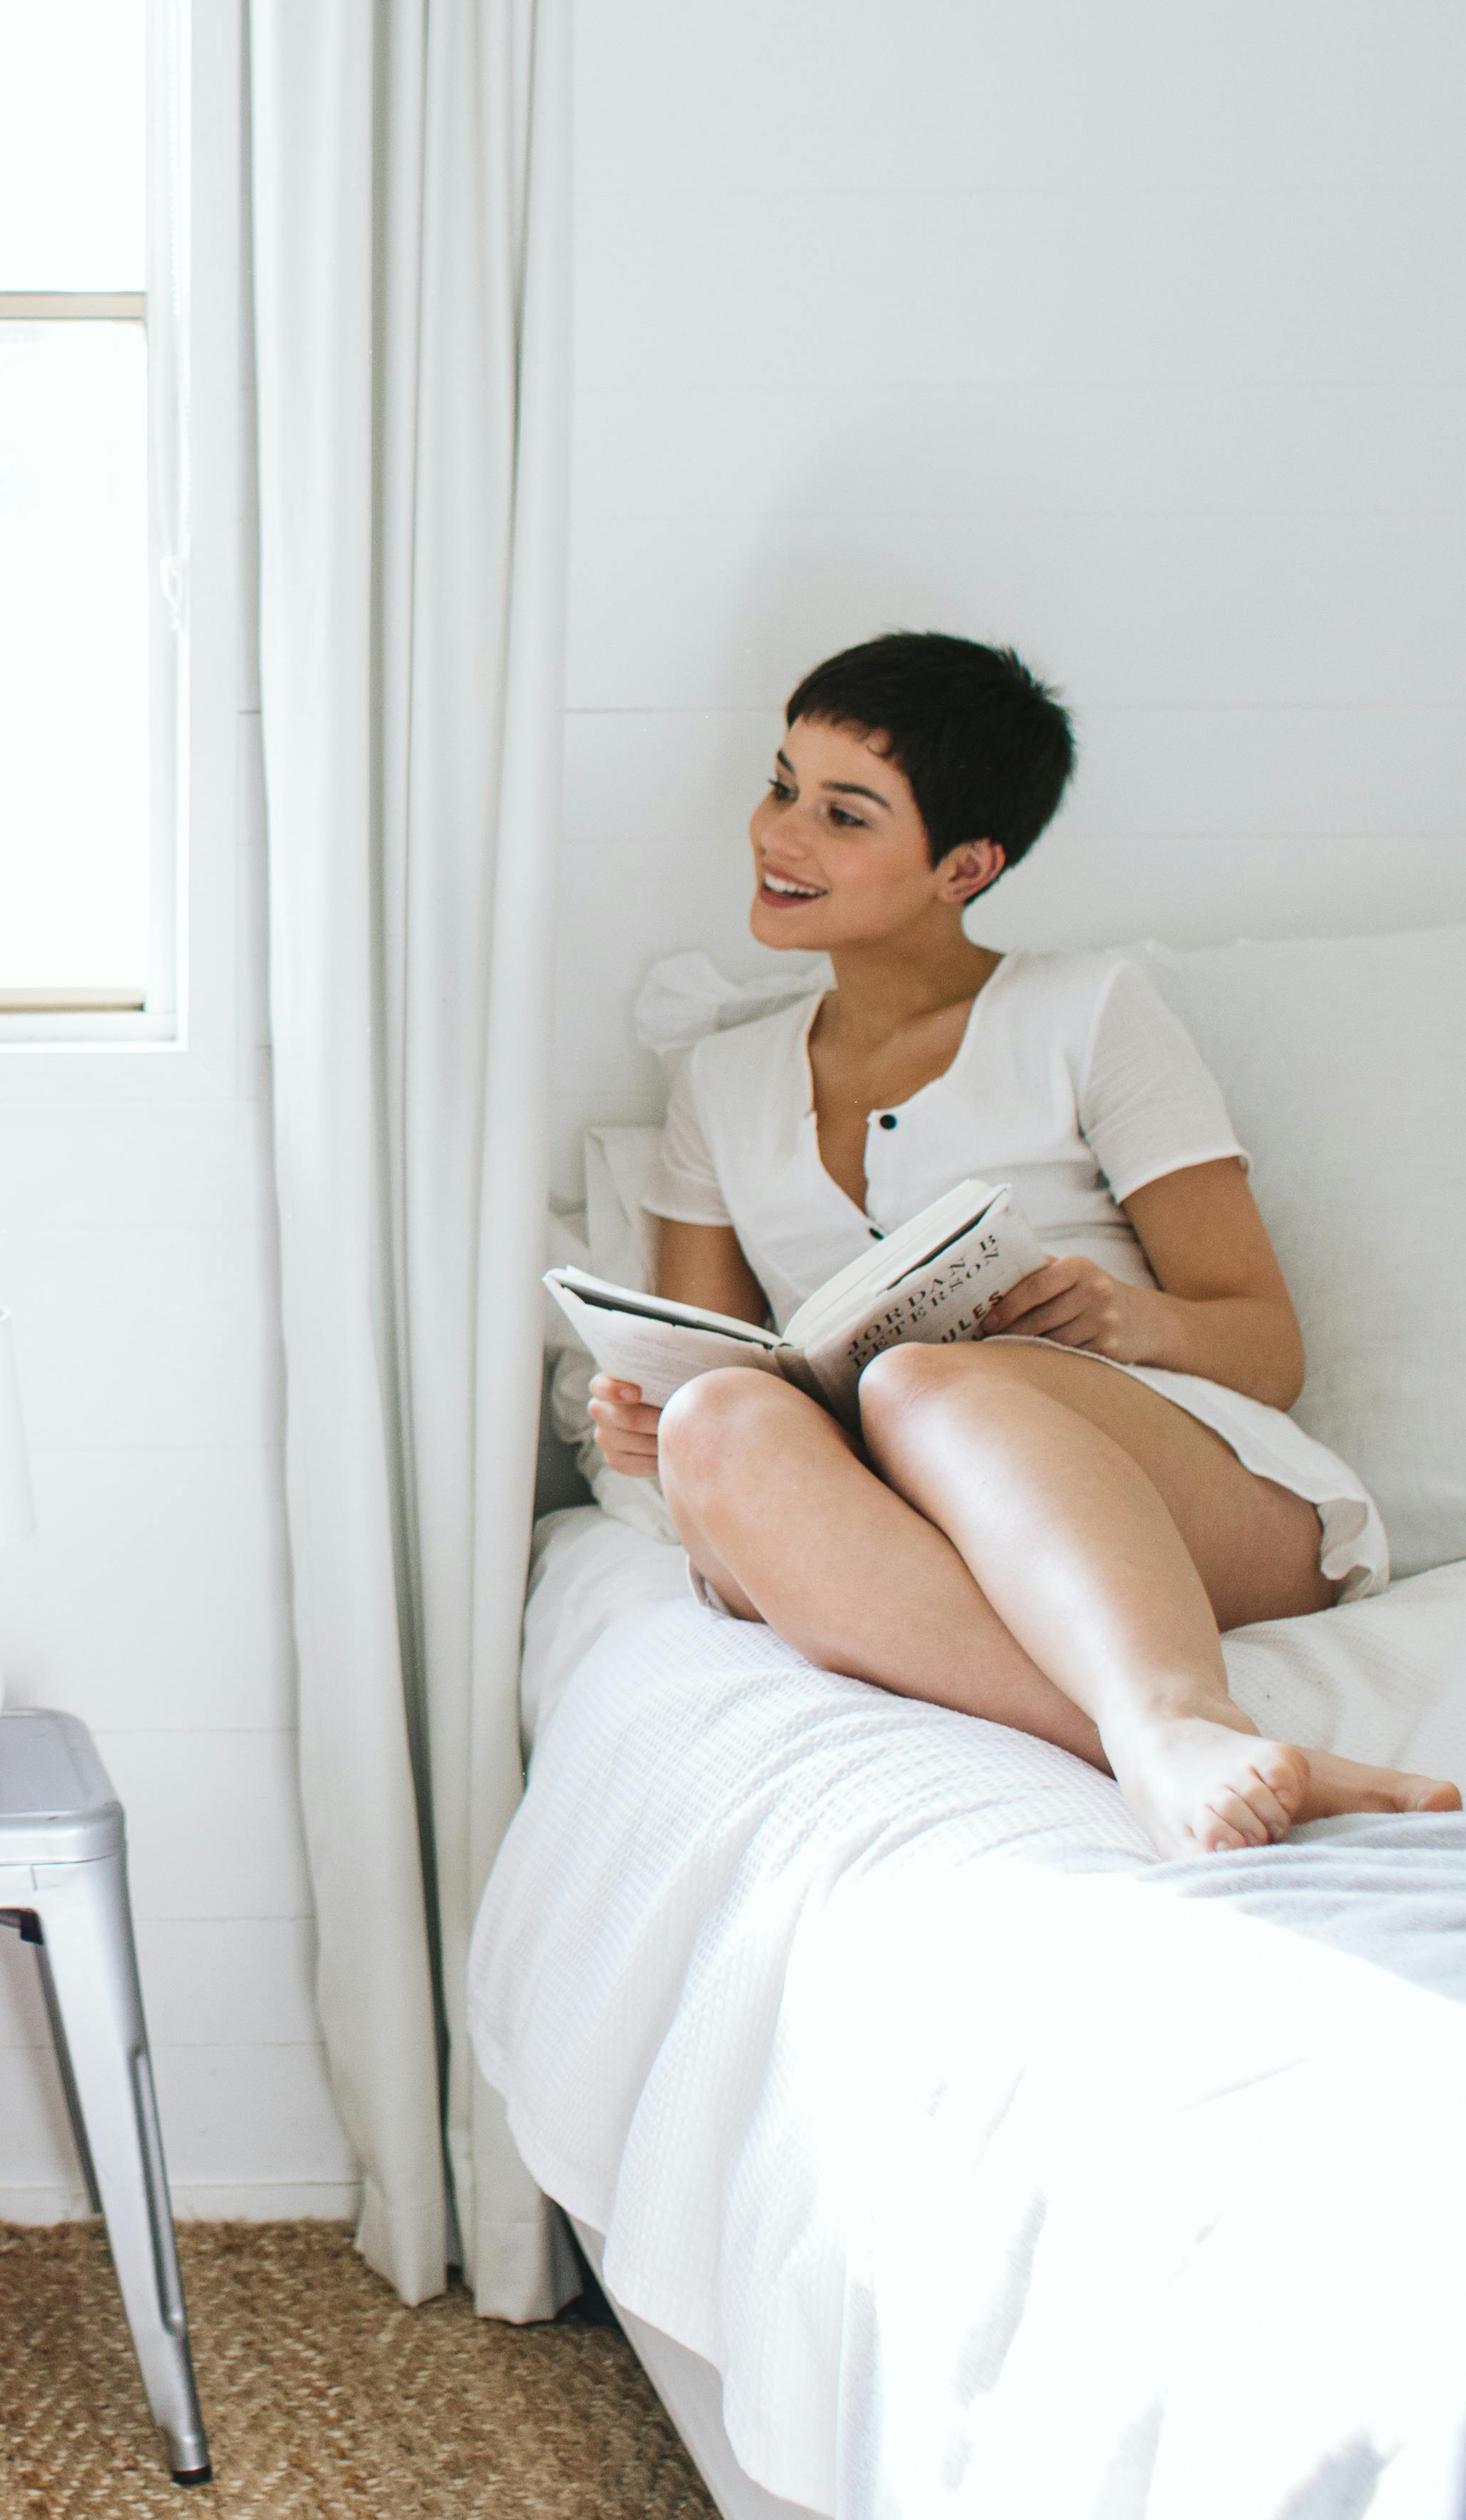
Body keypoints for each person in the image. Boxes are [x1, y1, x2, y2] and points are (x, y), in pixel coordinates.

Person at [592, 629, 1460, 1860]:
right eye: (782, 785)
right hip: (880, 1511)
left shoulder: (1085, 1012)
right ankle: (1156, 1738)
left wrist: (1126, 1317)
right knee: (714, 1427)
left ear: (966, 864)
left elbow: (1268, 1349)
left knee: (924, 1380)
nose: (780, 836)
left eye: (845, 816)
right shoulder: (720, 1085)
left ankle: (1175, 1707)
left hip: (1174, 1491)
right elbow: (709, 1354)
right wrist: (644, 1423)